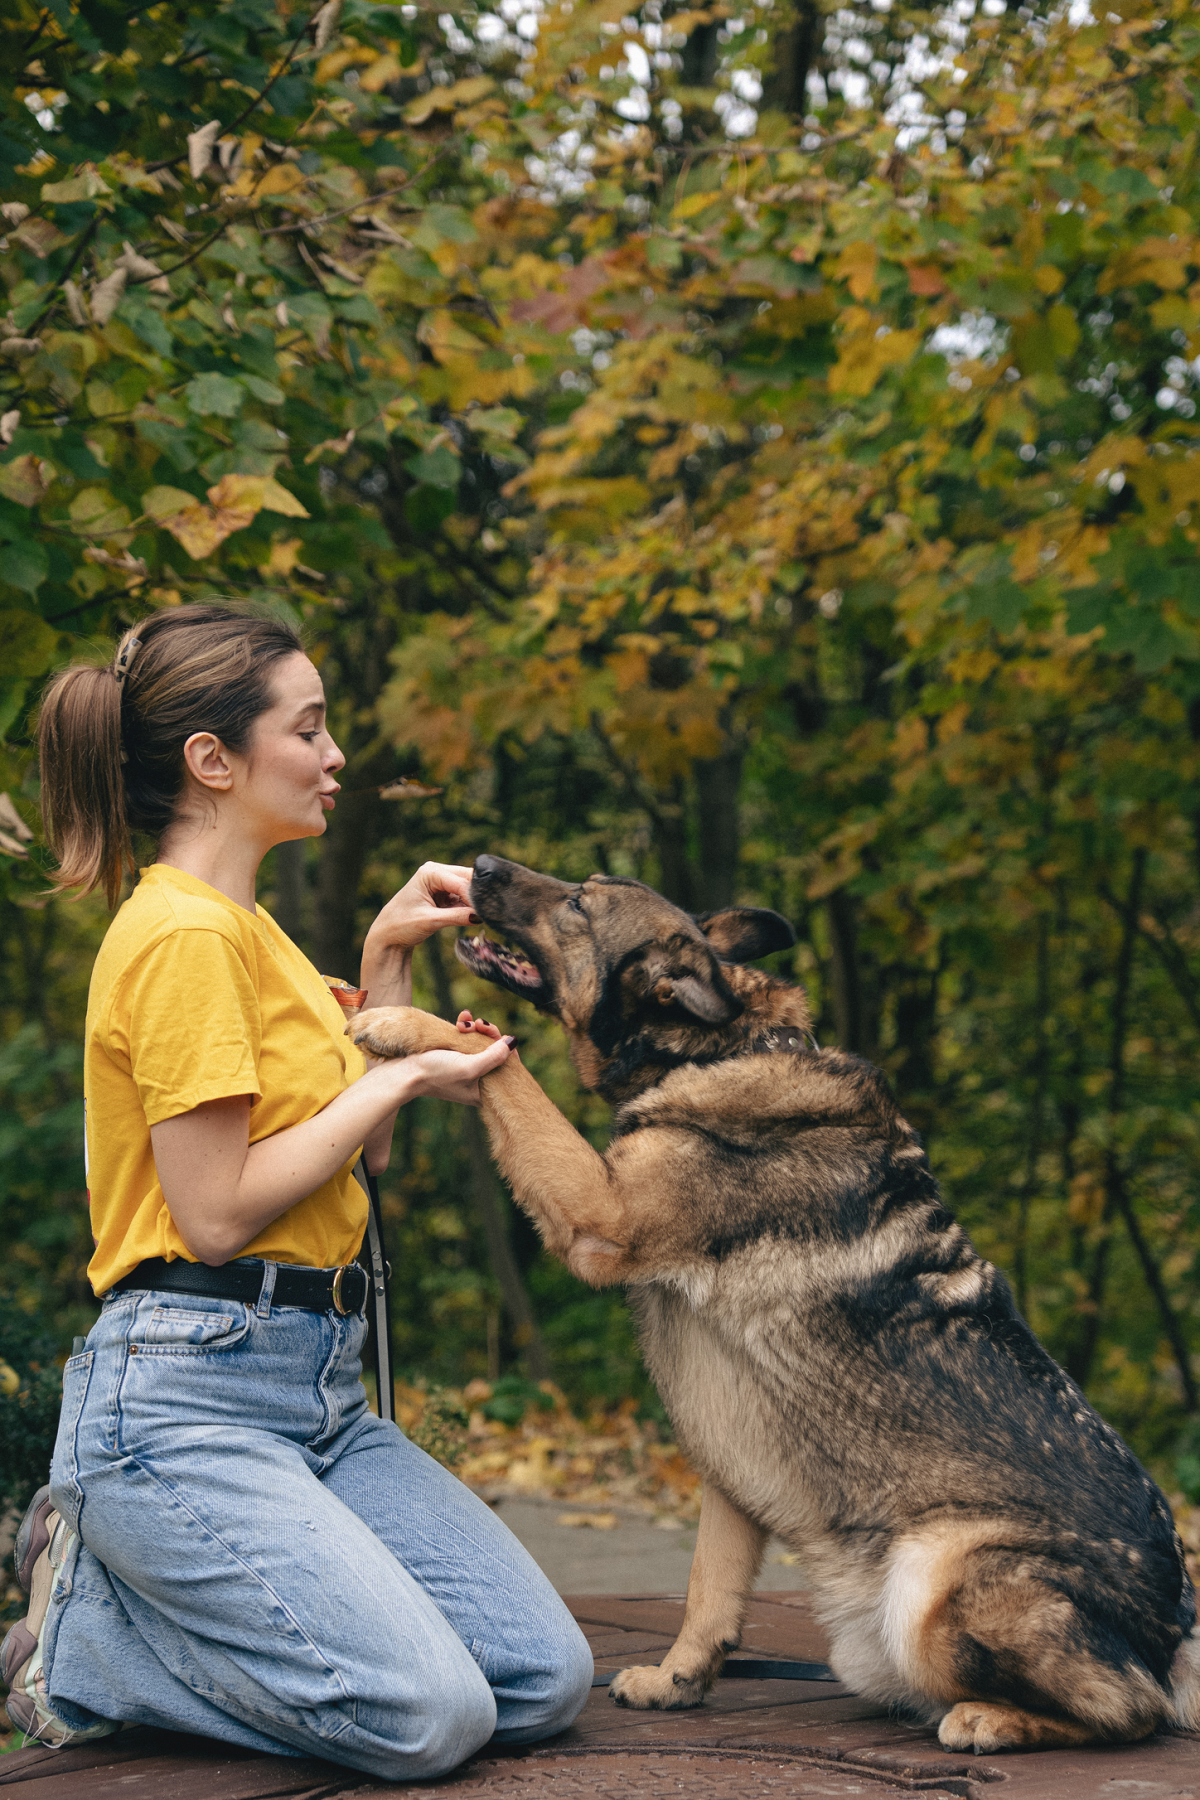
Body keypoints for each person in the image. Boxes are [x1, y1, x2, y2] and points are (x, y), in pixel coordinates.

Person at [2, 605, 592, 1778]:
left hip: (314, 1395)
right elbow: (218, 1213)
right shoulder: (181, 940)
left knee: (540, 1678)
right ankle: (81, 1642)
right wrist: (407, 1075)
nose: (335, 757)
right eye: (309, 729)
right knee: (429, 1717)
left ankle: (129, 1598)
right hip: (181, 1399)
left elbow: (357, 1168)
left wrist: (384, 966)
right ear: (212, 760)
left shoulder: (254, 935)